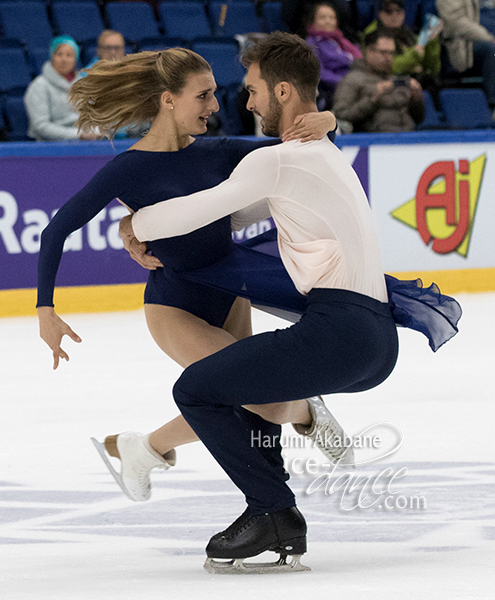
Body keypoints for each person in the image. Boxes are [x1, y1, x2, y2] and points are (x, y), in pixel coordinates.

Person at [118, 31, 401, 573]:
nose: (245, 102)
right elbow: (233, 219)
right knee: (240, 387)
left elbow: (201, 210)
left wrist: (135, 223)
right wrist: (331, 119)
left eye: (252, 90)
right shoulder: (322, 153)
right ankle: (274, 503)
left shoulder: (280, 159)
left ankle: (273, 510)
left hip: (337, 331)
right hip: (374, 339)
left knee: (196, 390)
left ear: (285, 91)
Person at [36, 48, 349, 505]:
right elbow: (56, 230)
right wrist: (46, 308)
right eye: (203, 96)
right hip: (175, 307)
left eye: (216, 94)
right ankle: (309, 410)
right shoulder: (127, 169)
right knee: (266, 397)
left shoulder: (218, 153)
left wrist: (329, 122)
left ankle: (143, 449)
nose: (216, 106)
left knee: (238, 399)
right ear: (168, 100)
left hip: (231, 295)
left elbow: (309, 157)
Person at [332, 29, 425, 132]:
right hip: (373, 141)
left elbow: (418, 119)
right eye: (384, 52)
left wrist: (416, 99)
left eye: (391, 53)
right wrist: (372, 100)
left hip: (408, 139)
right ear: (369, 51)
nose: (388, 58)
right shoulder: (352, 80)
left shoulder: (397, 79)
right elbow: (340, 115)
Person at [23, 36, 99, 141]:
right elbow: (41, 126)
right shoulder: (39, 86)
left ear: (75, 59)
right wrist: (78, 135)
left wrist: (96, 131)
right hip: (49, 148)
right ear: (52, 56)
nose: (64, 59)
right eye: (59, 54)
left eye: (69, 55)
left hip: (86, 145)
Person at [363, 0, 442, 92]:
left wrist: (431, 42)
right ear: (380, 14)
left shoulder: (408, 34)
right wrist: (414, 55)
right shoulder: (372, 34)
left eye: (398, 11)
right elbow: (390, 66)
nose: (394, 15)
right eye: (389, 11)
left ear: (403, 13)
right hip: (382, 85)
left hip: (413, 84)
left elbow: (432, 69)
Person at [436, 0, 495, 115]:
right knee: (491, 50)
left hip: (486, 42)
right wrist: (489, 37)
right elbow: (455, 21)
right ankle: (493, 105)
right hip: (462, 47)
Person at [306, 1, 362, 110]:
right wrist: (344, 82)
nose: (328, 21)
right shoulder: (311, 43)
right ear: (313, 21)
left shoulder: (341, 40)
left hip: (356, 81)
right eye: (323, 17)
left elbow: (359, 58)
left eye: (332, 18)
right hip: (333, 88)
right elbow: (318, 72)